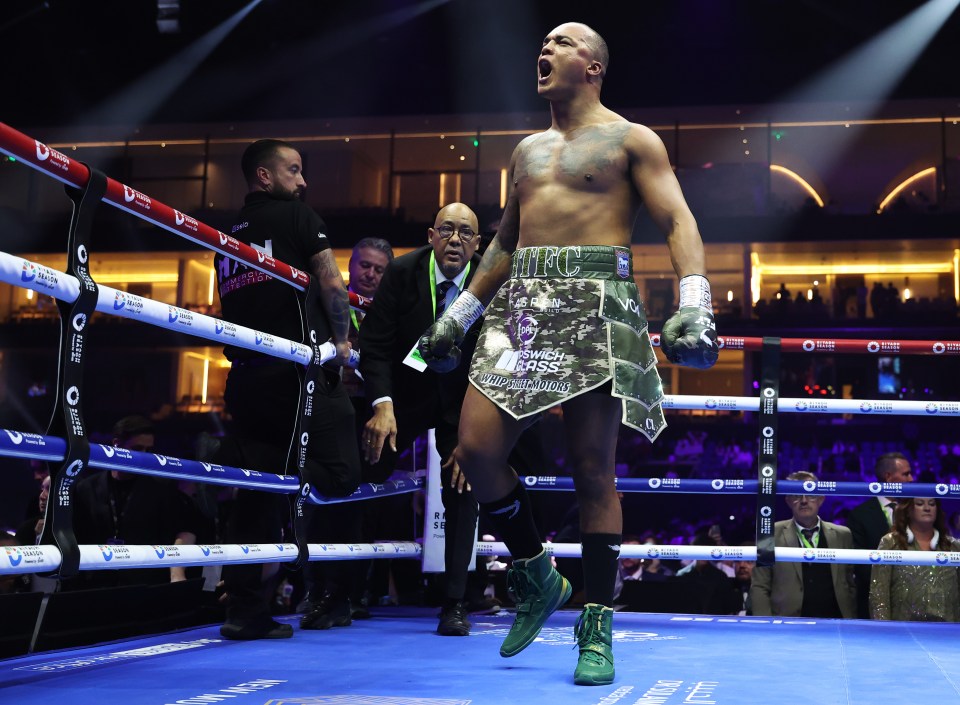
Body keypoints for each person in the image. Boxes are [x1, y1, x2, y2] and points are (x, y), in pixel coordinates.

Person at [417, 22, 718, 685]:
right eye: (543, 43)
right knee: (475, 448)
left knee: (592, 473)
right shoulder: (525, 151)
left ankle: (597, 629)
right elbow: (501, 243)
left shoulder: (631, 138)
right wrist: (458, 313)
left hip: (595, 298)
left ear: (594, 66)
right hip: (522, 304)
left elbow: (678, 220)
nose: (545, 50)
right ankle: (536, 572)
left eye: (562, 42)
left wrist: (694, 300)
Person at [213, 139, 360, 640]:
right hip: (298, 374)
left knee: (255, 497)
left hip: (246, 377)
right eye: (294, 171)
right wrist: (341, 342)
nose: (303, 182)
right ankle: (285, 480)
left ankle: (244, 613)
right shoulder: (296, 217)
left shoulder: (225, 238)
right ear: (264, 177)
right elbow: (333, 284)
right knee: (341, 473)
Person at [359, 202, 485, 636]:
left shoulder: (491, 279)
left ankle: (455, 603)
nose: (455, 239)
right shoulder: (402, 271)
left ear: (478, 243)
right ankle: (341, 591)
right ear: (431, 234)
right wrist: (381, 403)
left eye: (465, 233)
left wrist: (473, 434)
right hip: (404, 393)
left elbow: (502, 358)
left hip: (464, 402)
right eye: (447, 230)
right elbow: (374, 345)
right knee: (364, 468)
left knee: (464, 484)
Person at [72, 415, 202, 587]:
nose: (144, 457)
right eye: (137, 449)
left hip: (145, 585)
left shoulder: (161, 489)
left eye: (149, 450)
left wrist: (177, 572)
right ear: (116, 444)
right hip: (97, 585)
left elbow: (184, 530)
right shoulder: (87, 489)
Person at [750, 471, 856, 619]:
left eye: (810, 494)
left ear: (821, 499)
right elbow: (760, 586)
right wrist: (764, 625)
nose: (804, 500)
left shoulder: (842, 534)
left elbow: (850, 583)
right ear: (787, 500)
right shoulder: (771, 533)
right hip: (786, 623)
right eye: (797, 495)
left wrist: (850, 619)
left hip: (834, 622)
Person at [847, 452, 915, 618]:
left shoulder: (918, 510)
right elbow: (860, 565)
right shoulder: (860, 515)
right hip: (873, 600)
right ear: (889, 477)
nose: (911, 479)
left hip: (914, 598)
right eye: (906, 474)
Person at [870, 497, 960, 622]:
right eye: (920, 504)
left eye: (932, 504)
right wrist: (883, 630)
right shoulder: (890, 543)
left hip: (948, 631)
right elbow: (879, 593)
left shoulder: (953, 546)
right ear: (908, 510)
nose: (927, 508)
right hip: (902, 631)